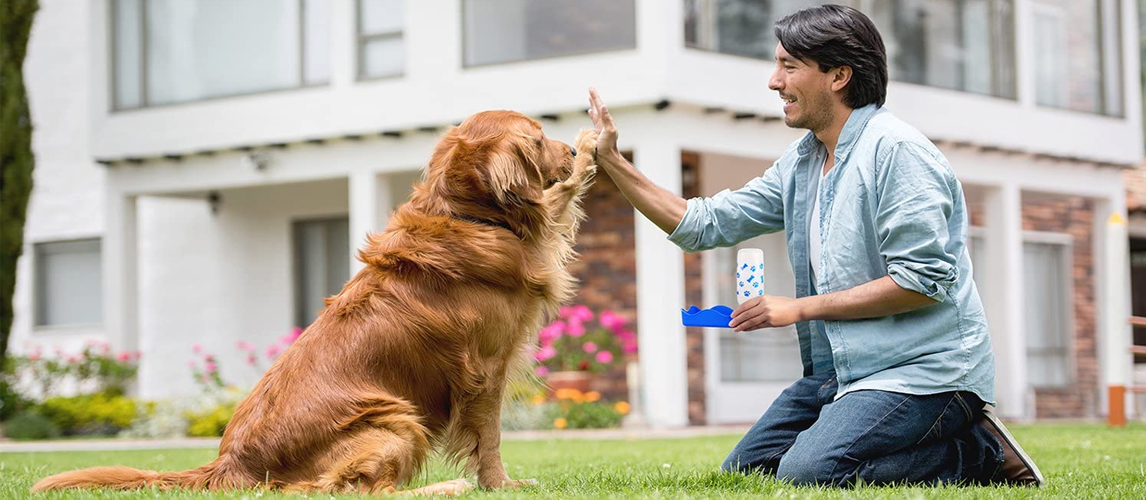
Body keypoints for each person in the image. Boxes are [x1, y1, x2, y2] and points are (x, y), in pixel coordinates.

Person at [587, 4, 1043, 487]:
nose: (773, 81)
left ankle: (978, 452)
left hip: (925, 374)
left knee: (811, 471)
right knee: (748, 472)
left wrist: (798, 307)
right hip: (842, 373)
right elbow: (704, 223)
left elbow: (922, 282)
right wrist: (614, 162)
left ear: (838, 75)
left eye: (789, 66)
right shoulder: (803, 163)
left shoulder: (898, 153)